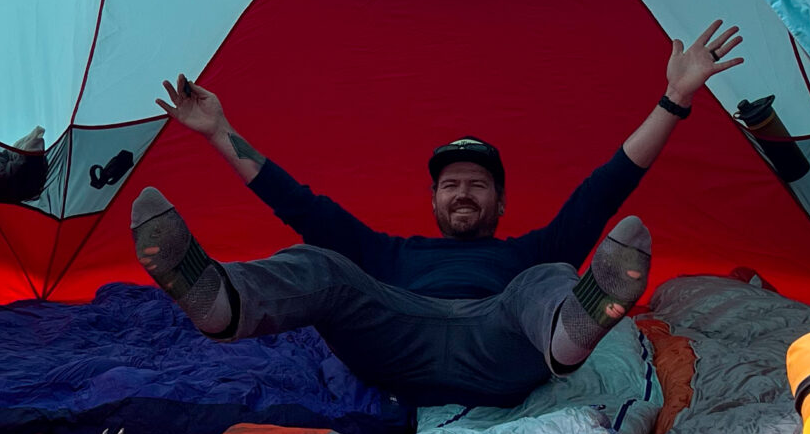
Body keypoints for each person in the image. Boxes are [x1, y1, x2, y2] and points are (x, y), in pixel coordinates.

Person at [128, 23, 745, 407]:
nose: (463, 194)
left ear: (500, 204)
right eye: (451, 186)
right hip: (398, 339)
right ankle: (221, 302)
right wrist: (218, 132)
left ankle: (572, 329)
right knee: (322, 261)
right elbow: (296, 202)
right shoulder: (391, 254)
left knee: (547, 277)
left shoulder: (521, 252)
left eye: (478, 185)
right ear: (432, 202)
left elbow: (605, 188)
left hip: (502, 341)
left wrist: (675, 98)